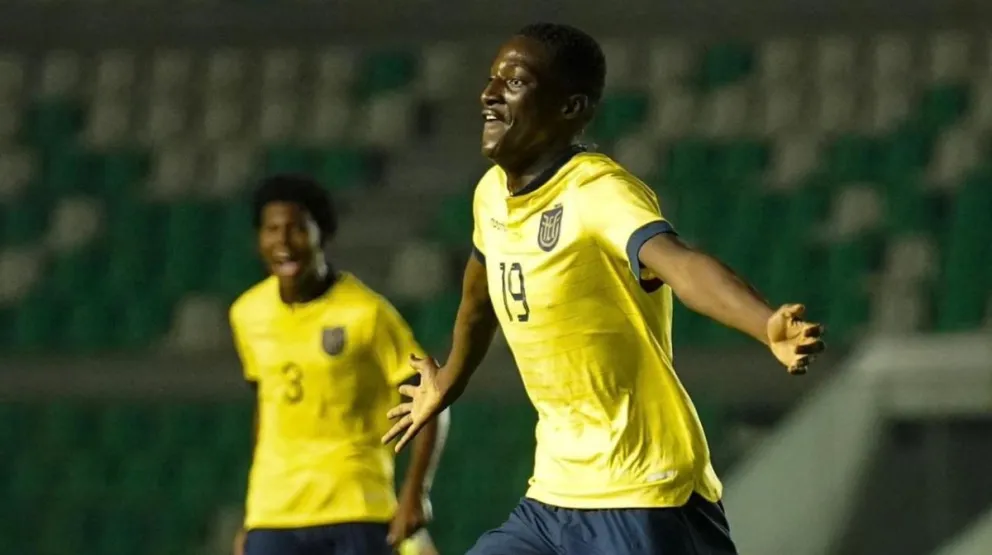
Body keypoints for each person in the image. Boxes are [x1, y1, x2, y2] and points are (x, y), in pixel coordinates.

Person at [382, 23, 825, 555]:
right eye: (491, 79)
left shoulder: (599, 192)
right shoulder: (490, 197)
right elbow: (478, 305)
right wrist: (446, 382)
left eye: (515, 83)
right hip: (554, 496)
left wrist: (763, 323)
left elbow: (680, 265)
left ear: (569, 108)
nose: (489, 94)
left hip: (645, 492)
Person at [229, 174, 447, 555]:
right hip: (274, 513)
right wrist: (252, 513)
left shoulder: (366, 313)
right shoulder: (247, 313)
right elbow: (268, 406)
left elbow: (432, 398)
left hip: (356, 505)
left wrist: (415, 494)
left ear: (322, 234)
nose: (282, 242)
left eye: (297, 229)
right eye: (272, 230)